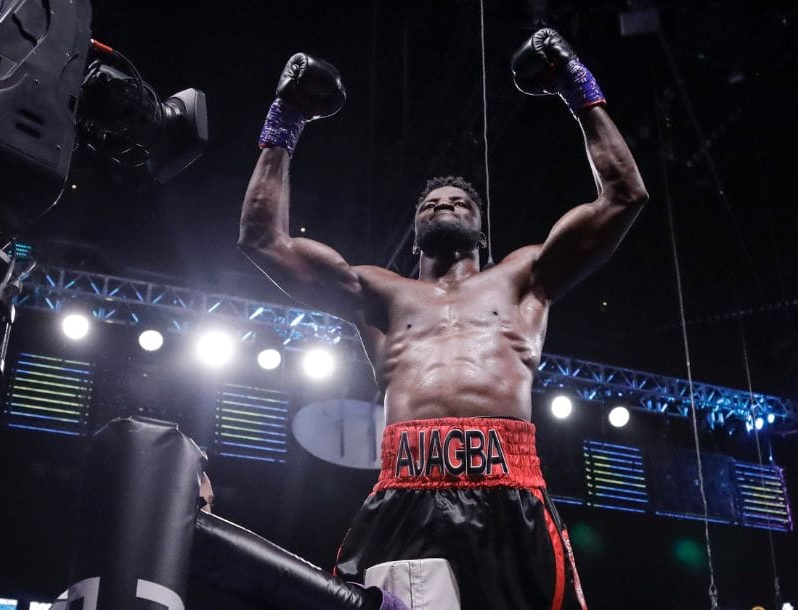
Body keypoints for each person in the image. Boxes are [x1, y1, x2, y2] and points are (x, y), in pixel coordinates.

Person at [238, 28, 648, 610]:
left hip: (511, 490)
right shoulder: (378, 292)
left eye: (459, 203)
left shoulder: (525, 276)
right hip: (406, 491)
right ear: (414, 232)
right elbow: (262, 240)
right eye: (431, 204)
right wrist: (287, 118)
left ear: (480, 228)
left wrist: (574, 83)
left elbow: (624, 196)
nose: (443, 206)